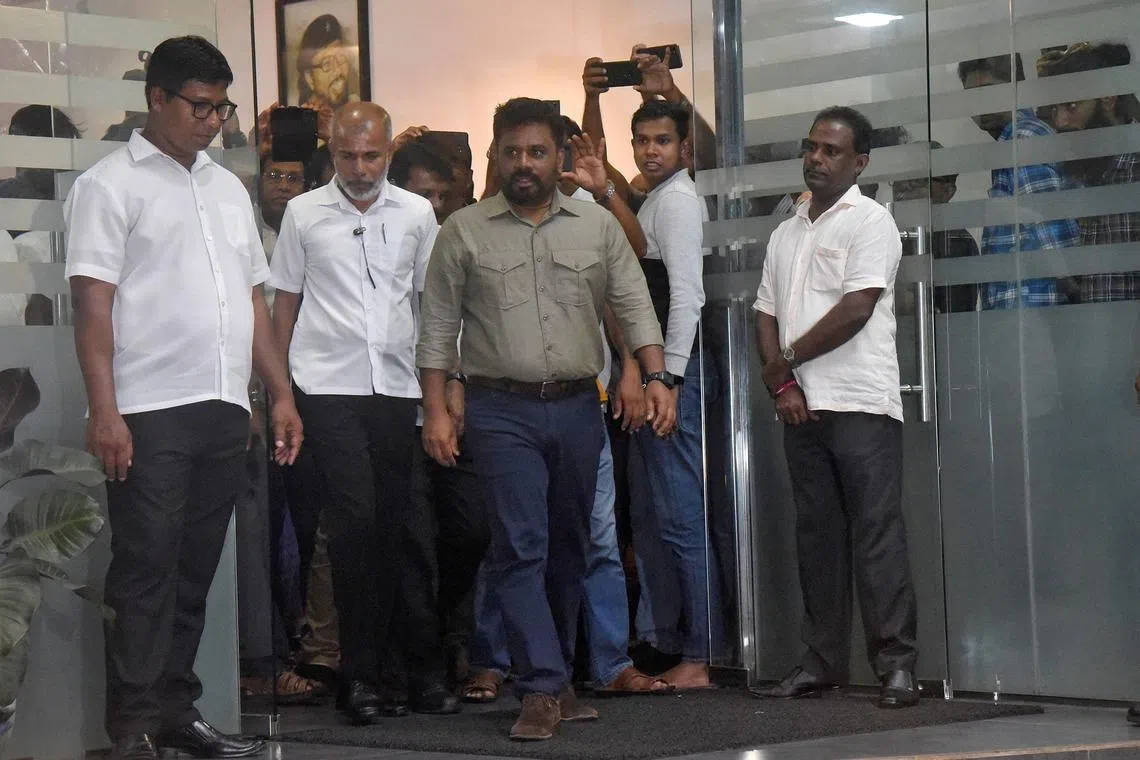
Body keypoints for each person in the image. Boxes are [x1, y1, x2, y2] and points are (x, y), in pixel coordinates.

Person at [63, 35, 302, 760]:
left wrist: (279, 394)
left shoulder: (226, 189)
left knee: (196, 571)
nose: (212, 121)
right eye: (199, 106)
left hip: (222, 404)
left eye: (221, 108)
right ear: (157, 98)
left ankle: (175, 714)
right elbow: (92, 306)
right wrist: (105, 410)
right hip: (148, 407)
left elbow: (253, 301)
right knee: (145, 571)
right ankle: (133, 729)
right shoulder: (108, 186)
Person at [416, 97, 675, 741]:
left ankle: (556, 678)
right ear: (495, 157)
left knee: (569, 548)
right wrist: (436, 409)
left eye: (536, 151)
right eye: (512, 152)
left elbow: (634, 304)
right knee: (519, 546)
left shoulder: (596, 226)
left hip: (578, 407)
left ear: (559, 156)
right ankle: (538, 686)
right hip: (500, 410)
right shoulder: (464, 231)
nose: (524, 163)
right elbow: (437, 329)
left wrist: (655, 375)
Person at [269, 102, 439, 724]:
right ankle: (357, 675)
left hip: (395, 386)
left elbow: (431, 308)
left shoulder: (417, 213)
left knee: (393, 525)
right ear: (331, 152)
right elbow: (284, 305)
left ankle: (393, 671)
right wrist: (279, 394)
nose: (360, 169)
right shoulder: (304, 213)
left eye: (371, 156)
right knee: (352, 523)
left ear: (389, 151)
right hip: (325, 385)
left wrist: (441, 393)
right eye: (347, 156)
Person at [750, 106, 919, 709]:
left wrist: (786, 361)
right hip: (801, 407)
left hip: (860, 402)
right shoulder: (786, 230)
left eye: (831, 150)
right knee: (817, 538)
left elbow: (857, 308)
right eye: (811, 147)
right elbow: (765, 311)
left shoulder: (872, 221)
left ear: (859, 163)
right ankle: (820, 664)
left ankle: (896, 667)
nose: (816, 158)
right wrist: (784, 385)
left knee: (877, 535)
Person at [624, 99, 711, 690]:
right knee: (655, 517)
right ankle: (672, 641)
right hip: (655, 374)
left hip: (674, 375)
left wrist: (669, 379)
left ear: (683, 148)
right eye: (642, 140)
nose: (650, 150)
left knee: (680, 518)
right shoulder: (654, 198)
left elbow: (687, 297)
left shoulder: (677, 200)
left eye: (662, 140)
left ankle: (701, 654)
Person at [958, 54, 1081, 309]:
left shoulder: (1023, 138)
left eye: (989, 90)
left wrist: (1074, 293)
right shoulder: (1014, 139)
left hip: (1034, 308)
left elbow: (1048, 226)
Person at [1038, 41, 1140, 302]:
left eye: (1071, 106)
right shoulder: (1088, 174)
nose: (1060, 121)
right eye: (1056, 109)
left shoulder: (1134, 171)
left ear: (1107, 99)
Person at [889, 144, 980, 313]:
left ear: (948, 191)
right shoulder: (885, 234)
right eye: (900, 177)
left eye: (919, 179)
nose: (904, 185)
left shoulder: (955, 242)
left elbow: (951, 317)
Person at [296, 14, 355, 111]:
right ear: (309, 78)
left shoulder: (355, 109)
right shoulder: (302, 118)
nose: (338, 71)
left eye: (342, 58)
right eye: (327, 64)